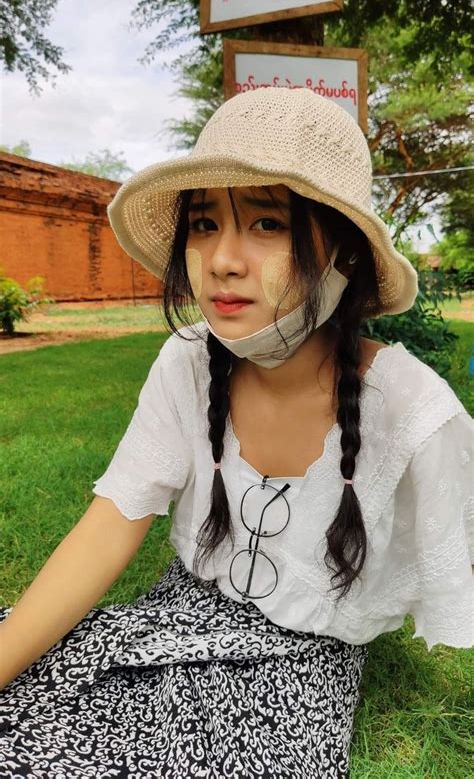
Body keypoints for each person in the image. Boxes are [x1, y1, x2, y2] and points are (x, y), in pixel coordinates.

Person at [0, 87, 472, 778]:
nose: (221, 260)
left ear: (341, 249)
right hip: (176, 609)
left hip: (305, 660)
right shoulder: (189, 361)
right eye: (203, 223)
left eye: (267, 223)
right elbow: (110, 523)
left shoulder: (414, 412)